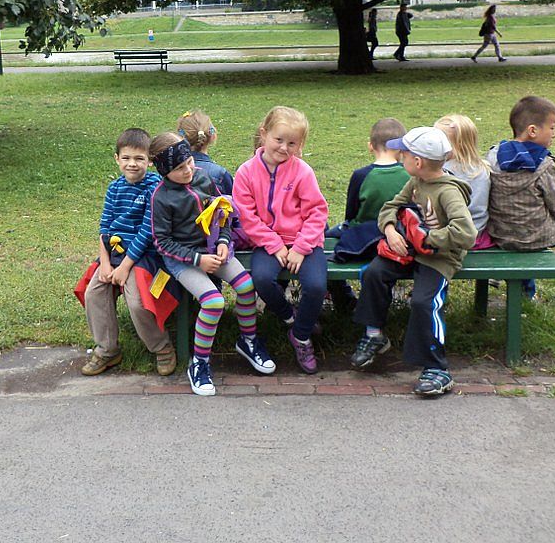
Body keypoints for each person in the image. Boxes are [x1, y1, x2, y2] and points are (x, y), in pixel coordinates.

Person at [350, 127, 476, 396]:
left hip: (439, 257)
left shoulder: (448, 192)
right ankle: (374, 335)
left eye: (403, 153)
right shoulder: (416, 182)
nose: (400, 156)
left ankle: (437, 368)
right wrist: (390, 230)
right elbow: (390, 207)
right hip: (408, 250)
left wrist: (428, 238)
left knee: (423, 302)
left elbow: (466, 233)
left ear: (417, 161)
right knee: (374, 273)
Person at [149, 132, 275, 395]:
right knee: (214, 302)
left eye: (189, 163)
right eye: (179, 169)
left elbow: (222, 211)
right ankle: (199, 362)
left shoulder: (204, 177)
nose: (188, 171)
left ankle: (248, 340)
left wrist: (223, 240)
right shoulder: (161, 198)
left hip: (213, 249)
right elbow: (162, 243)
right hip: (183, 260)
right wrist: (198, 260)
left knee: (246, 286)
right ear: (164, 171)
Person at [233, 106, 329, 374]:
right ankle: (289, 316)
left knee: (316, 285)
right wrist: (274, 245)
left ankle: (301, 336)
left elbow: (317, 212)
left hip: (304, 242)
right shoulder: (246, 172)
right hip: (266, 242)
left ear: (300, 145)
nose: (284, 148)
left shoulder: (302, 172)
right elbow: (247, 216)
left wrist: (300, 247)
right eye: (279, 139)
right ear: (264, 134)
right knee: (262, 279)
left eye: (292, 143)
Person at [78, 128, 176, 377]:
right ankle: (108, 349)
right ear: (117, 159)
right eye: (126, 158)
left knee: (138, 301)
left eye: (139, 158)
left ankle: (162, 346)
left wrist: (124, 267)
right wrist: (105, 263)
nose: (132, 164)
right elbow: (104, 228)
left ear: (149, 161)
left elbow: (147, 231)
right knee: (94, 292)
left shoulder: (154, 187)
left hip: (144, 257)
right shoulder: (114, 188)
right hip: (115, 254)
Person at [485, 96, 555, 299]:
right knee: (532, 232)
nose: (554, 134)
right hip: (534, 238)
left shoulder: (493, 156)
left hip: (498, 234)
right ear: (533, 131)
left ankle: (501, 276)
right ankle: (527, 293)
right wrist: (554, 217)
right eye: (552, 128)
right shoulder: (545, 164)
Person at [327, 118, 410, 263]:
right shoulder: (409, 174)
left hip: (364, 232)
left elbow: (351, 213)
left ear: (370, 146)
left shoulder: (361, 175)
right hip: (400, 232)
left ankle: (337, 280)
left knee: (327, 236)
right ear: (402, 148)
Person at [434, 114, 492, 250]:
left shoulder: (444, 172)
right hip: (478, 231)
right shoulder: (482, 168)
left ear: (456, 145)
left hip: (455, 233)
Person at [176, 109, 232, 195]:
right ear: (213, 136)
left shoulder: (172, 173)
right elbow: (234, 199)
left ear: (180, 137)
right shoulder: (220, 174)